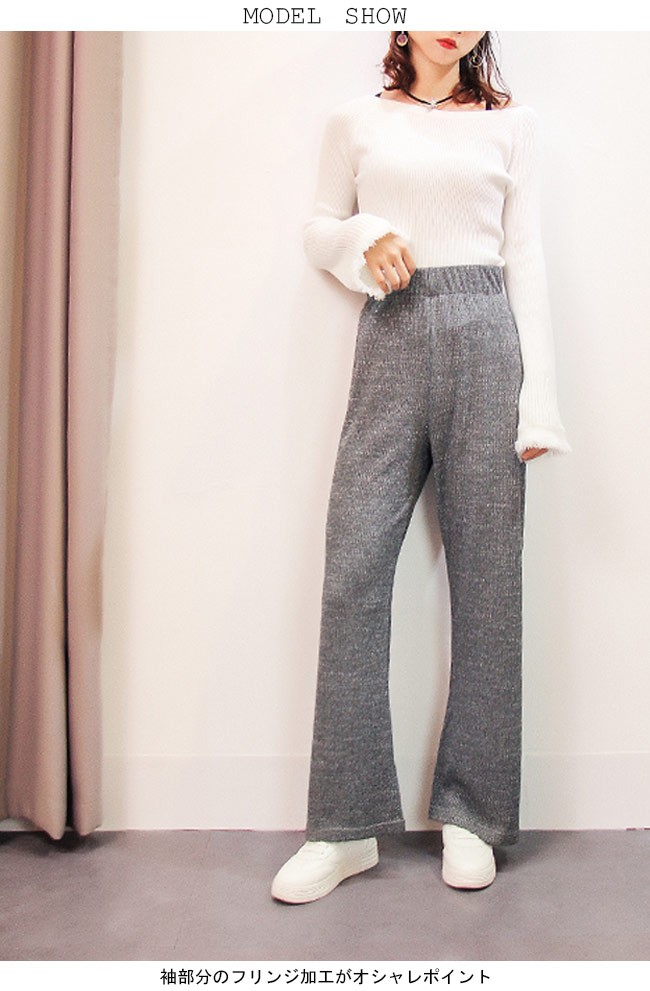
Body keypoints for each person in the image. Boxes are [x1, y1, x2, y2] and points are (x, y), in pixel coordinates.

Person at [272, 30, 571, 903]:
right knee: (353, 571)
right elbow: (316, 227)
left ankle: (475, 815)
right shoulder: (354, 120)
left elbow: (526, 257)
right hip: (392, 332)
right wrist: (363, 238)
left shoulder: (511, 125)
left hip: (488, 338)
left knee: (489, 582)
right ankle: (343, 828)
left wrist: (540, 398)